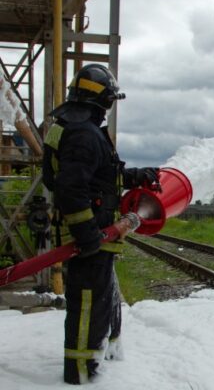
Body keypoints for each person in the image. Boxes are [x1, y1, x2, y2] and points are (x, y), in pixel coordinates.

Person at [42, 64, 159, 384]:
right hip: (90, 234)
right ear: (101, 99)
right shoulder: (83, 133)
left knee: (103, 296)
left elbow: (95, 176)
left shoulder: (72, 126)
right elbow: (70, 188)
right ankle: (81, 371)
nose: (110, 106)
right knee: (89, 303)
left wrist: (133, 176)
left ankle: (100, 355)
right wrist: (87, 234)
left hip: (96, 233)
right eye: (110, 99)